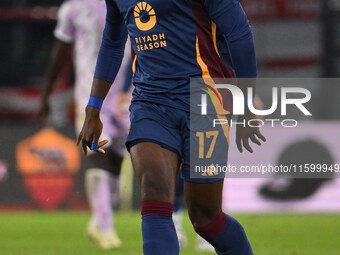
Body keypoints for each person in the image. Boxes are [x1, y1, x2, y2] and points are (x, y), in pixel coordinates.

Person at [78, 0, 266, 254]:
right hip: (150, 102)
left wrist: (245, 105)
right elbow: (112, 42)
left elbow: (239, 33)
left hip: (206, 100)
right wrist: (93, 108)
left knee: (205, 218)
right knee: (154, 188)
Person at [38, 0, 131, 250]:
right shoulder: (73, 8)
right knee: (97, 151)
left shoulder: (131, 2)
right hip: (90, 95)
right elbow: (61, 52)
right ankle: (105, 225)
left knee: (116, 157)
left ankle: (100, 217)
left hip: (126, 93)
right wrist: (46, 94)